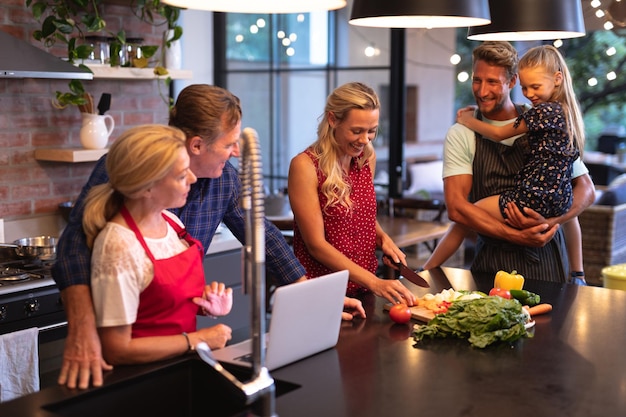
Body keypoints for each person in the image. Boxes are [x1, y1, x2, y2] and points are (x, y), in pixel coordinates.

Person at [53, 84, 365, 389]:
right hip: (116, 343)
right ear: (198, 145)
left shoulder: (223, 178)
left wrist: (312, 298)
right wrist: (83, 330)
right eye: (230, 143)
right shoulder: (132, 169)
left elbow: (262, 235)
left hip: (173, 346)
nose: (237, 151)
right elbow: (72, 250)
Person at [421, 41, 595, 283]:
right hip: (491, 267)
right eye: (477, 80)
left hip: (548, 264)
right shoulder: (461, 134)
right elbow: (457, 209)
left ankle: (424, 269)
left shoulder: (541, 120)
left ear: (512, 82)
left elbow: (585, 190)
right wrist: (518, 235)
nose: (482, 92)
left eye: (492, 82)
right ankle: (424, 270)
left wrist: (551, 223)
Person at [83, 125, 233, 364]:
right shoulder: (118, 245)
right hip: (142, 379)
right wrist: (196, 340)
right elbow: (117, 349)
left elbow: (162, 304)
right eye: (182, 175)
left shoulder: (171, 222)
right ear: (148, 186)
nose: (193, 179)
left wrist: (203, 304)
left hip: (180, 365)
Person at [288, 82, 416, 306]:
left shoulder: (366, 158)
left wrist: (382, 238)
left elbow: (360, 216)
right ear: (332, 119)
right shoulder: (305, 166)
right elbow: (315, 244)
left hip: (364, 287)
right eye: (356, 131)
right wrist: (376, 282)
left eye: (372, 131)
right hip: (323, 292)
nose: (365, 139)